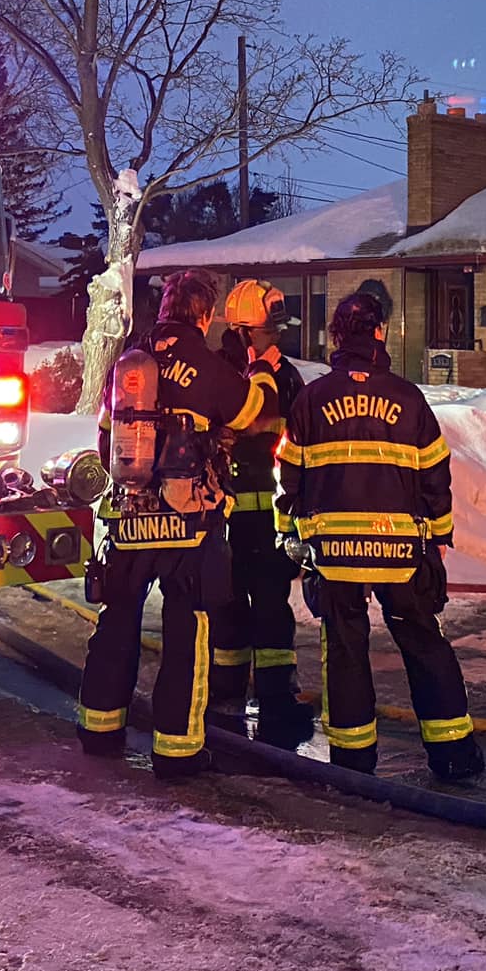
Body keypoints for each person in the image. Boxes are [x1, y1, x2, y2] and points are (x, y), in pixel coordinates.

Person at [76, 270, 278, 778]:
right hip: (187, 524)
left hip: (129, 515)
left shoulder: (129, 364)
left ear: (164, 308)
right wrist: (262, 367)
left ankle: (99, 729)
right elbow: (253, 413)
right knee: (186, 628)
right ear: (204, 315)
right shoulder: (206, 366)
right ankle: (177, 750)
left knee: (117, 618)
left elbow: (105, 438)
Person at [276, 292, 485, 783]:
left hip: (335, 553)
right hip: (401, 551)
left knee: (345, 648)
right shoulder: (408, 398)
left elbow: (289, 474)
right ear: (380, 333)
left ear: (336, 336)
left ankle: (353, 760)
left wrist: (292, 533)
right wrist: (438, 537)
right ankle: (453, 754)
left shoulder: (312, 399)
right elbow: (435, 474)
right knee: (422, 640)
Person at [209, 280, 313, 746]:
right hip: (232, 516)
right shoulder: (224, 374)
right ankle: (228, 692)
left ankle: (274, 697)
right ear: (245, 331)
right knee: (228, 605)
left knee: (270, 608)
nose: (278, 338)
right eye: (270, 331)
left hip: (266, 516)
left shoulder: (284, 377)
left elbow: (289, 438)